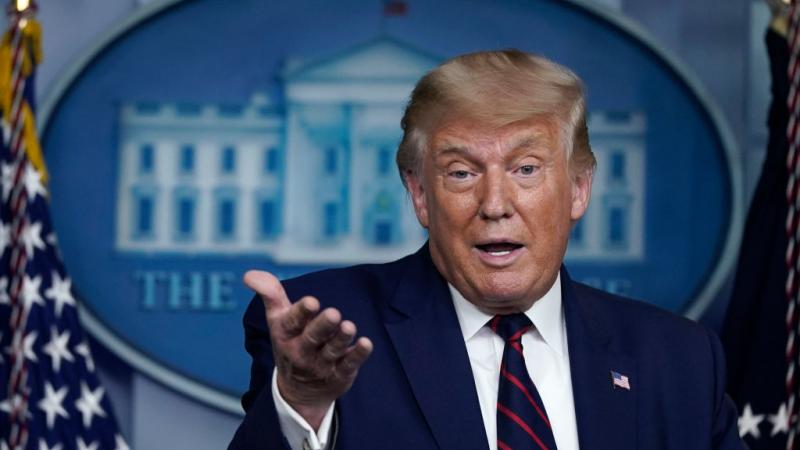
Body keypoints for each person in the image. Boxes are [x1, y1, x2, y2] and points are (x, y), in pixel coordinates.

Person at [228, 49, 745, 450]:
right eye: (461, 173)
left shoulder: (680, 360)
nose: (495, 204)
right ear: (420, 194)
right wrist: (302, 404)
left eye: (526, 168)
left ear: (579, 188)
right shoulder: (327, 331)